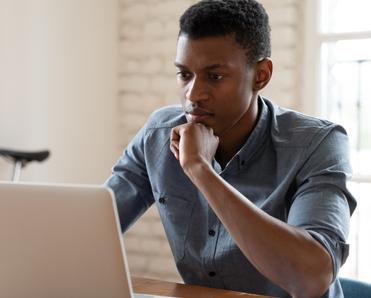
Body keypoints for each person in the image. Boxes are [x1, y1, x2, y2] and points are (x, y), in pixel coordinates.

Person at [105, 0, 356, 297]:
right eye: (185, 74)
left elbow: (312, 277)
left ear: (260, 75)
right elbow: (93, 228)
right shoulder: (159, 134)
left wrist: (201, 171)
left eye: (215, 76)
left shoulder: (318, 143)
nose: (193, 95)